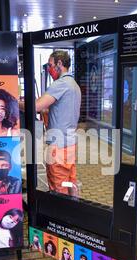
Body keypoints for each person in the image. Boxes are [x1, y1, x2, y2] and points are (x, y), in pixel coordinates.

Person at [35, 51, 81, 197]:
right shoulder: (74, 85)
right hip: (71, 144)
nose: (49, 69)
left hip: (59, 147)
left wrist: (17, 103)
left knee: (58, 187)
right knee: (70, 182)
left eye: (50, 65)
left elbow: (36, 106)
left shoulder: (60, 84)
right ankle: (75, 212)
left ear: (59, 64)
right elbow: (62, 109)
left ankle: (61, 217)